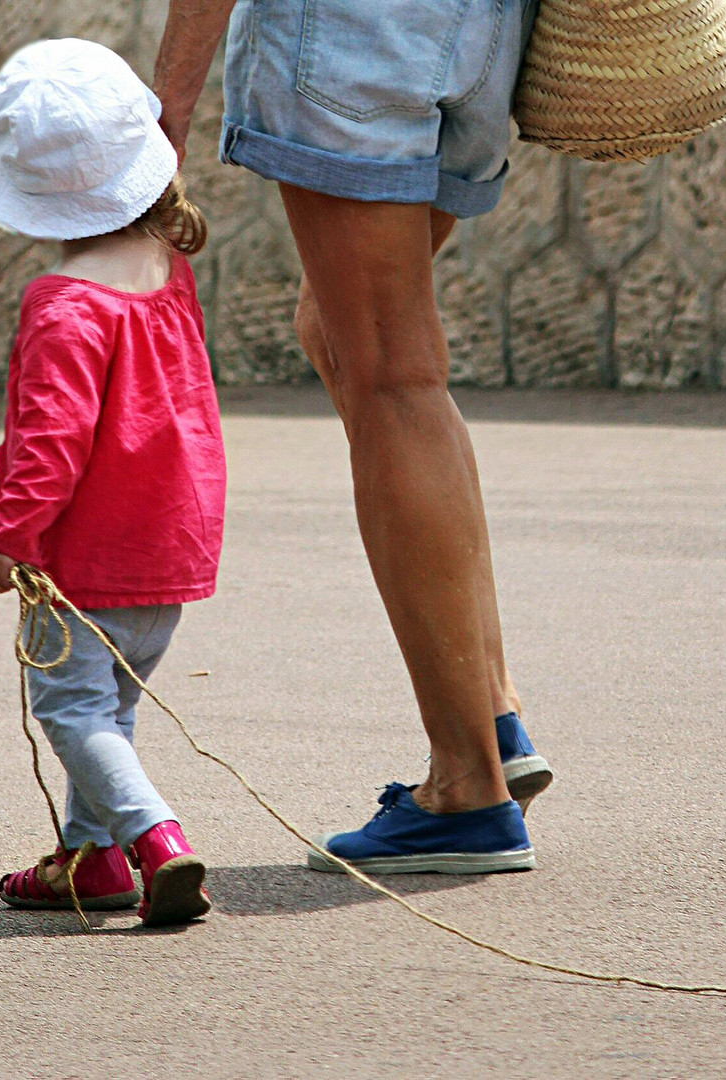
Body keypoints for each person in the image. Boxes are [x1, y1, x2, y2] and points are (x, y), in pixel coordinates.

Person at [152, 0, 553, 873]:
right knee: (344, 338)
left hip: (359, 35)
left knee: (395, 377)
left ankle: (465, 792)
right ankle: (491, 715)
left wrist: (168, 100)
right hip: (479, 34)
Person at [0, 38, 227, 926]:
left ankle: (156, 841)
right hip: (168, 555)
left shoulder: (66, 304)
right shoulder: (166, 274)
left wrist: (4, 541)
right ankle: (91, 859)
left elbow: (49, 446)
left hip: (87, 566)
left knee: (71, 713)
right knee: (109, 712)